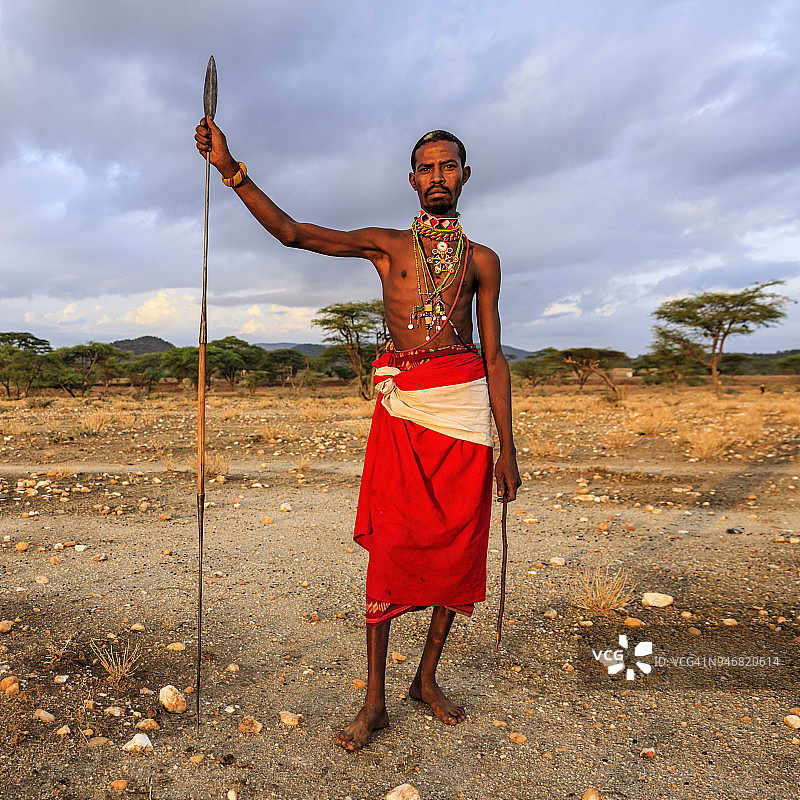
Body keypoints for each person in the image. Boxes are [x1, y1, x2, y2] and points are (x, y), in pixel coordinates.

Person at [195, 119, 521, 751]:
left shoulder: (482, 260)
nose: (436, 177)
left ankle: (425, 679)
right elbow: (293, 234)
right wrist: (229, 168)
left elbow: (495, 353)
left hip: (464, 413)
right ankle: (373, 701)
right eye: (425, 169)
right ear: (411, 179)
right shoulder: (387, 246)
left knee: (456, 548)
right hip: (405, 415)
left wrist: (509, 446)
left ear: (465, 176)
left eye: (447, 167)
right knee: (394, 547)